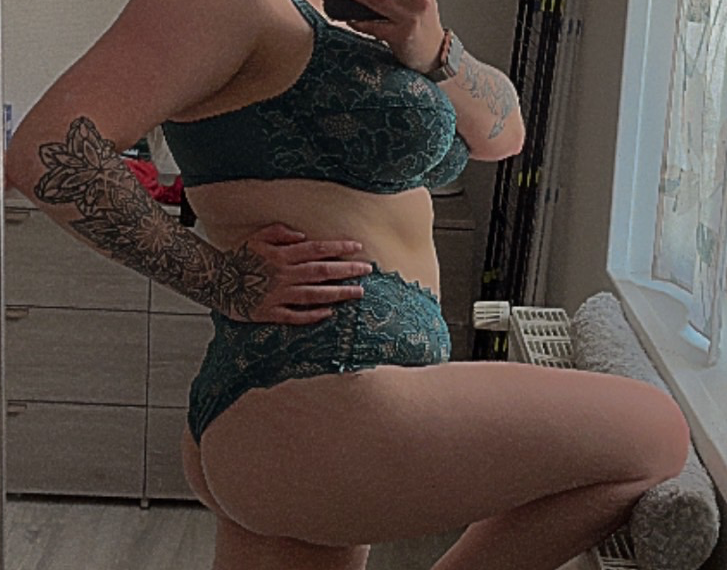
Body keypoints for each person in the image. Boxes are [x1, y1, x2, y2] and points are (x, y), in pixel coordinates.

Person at [4, 0, 690, 568]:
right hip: (321, 391)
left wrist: (434, 47)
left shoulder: (369, 16)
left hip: (306, 413)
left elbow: (502, 135)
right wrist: (221, 277)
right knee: (653, 433)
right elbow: (45, 151)